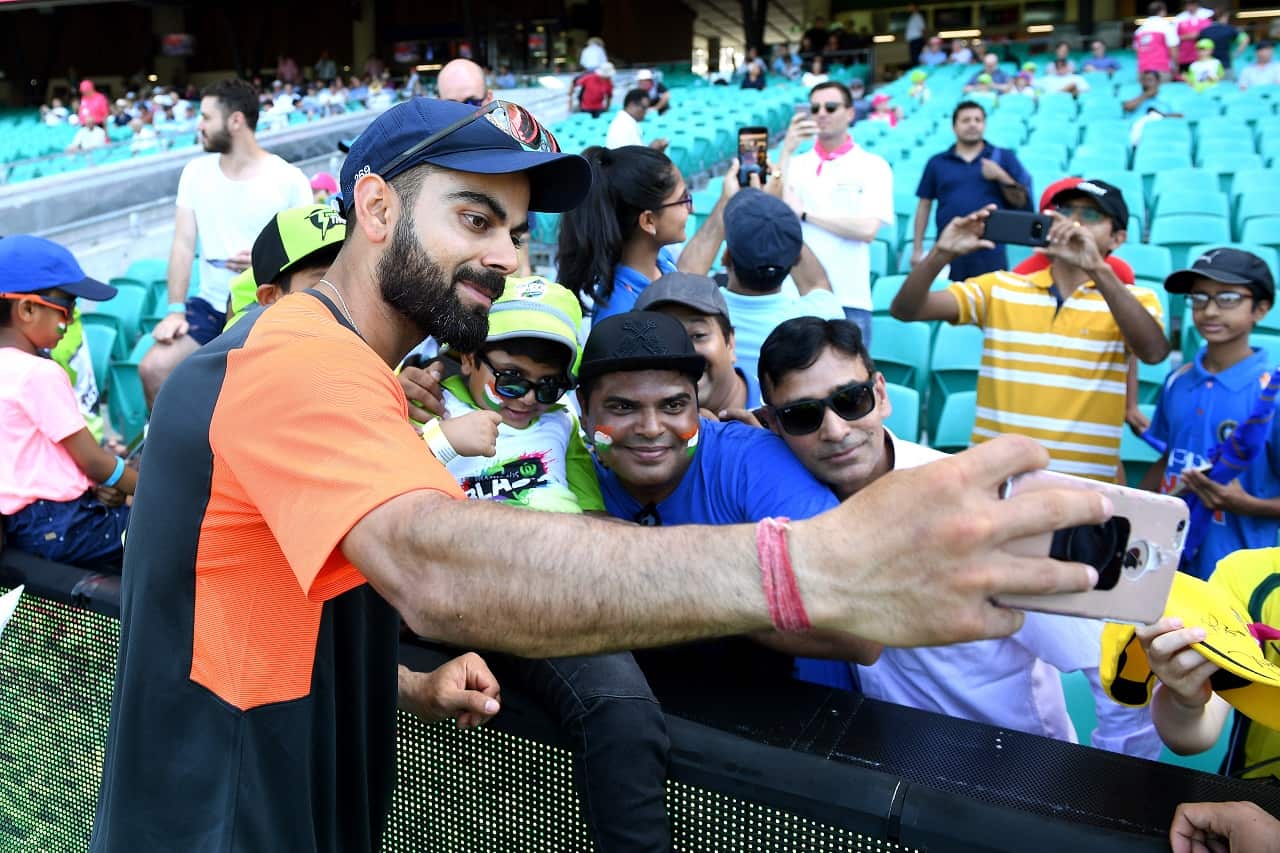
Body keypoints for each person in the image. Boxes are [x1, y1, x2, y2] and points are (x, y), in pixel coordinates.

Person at [89, 95, 1117, 851]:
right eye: (472, 217)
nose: (503, 256)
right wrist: (812, 568)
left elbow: (262, 608)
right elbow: (433, 563)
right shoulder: (296, 360)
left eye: (517, 230)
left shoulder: (337, 368)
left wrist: (404, 682)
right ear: (371, 208)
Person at [755, 317, 1162, 757]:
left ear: (881, 393)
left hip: (1016, 778)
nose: (835, 431)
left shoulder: (981, 502)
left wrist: (1111, 797)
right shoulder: (789, 505)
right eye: (803, 416)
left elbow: (1107, 666)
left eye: (851, 400)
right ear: (775, 426)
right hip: (891, 778)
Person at [892, 179, 1170, 481]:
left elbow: (1153, 352)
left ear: (1117, 239)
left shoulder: (1137, 300)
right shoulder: (1000, 287)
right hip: (997, 482)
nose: (1072, 221)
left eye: (1090, 215)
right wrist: (940, 254)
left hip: (1084, 489)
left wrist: (1097, 269)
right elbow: (907, 310)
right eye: (1064, 210)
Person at [139, 78, 311, 406]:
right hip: (210, 305)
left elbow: (309, 260)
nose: (198, 126)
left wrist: (263, 262)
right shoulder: (194, 173)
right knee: (153, 369)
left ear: (235, 121)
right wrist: (175, 311)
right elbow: (183, 246)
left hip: (262, 309)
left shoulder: (289, 179)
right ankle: (173, 455)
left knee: (250, 398)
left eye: (205, 117)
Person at [1139, 249, 1280, 579]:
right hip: (1169, 567)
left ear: (1261, 308)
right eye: (1199, 298)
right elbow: (1169, 459)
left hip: (1241, 579)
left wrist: (1247, 505)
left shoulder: (1270, 392)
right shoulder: (1178, 380)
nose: (1210, 311)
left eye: (1228, 298)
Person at [0, 236, 135, 571]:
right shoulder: (38, 373)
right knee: (164, 530)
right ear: (28, 308)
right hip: (65, 525)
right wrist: (152, 487)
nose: (73, 320)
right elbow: (94, 462)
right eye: (67, 307)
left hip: (23, 525)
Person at [556, 146, 731, 321]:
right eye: (682, 199)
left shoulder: (660, 259)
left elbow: (686, 278)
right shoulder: (622, 318)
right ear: (648, 221)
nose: (691, 208)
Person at [779, 81, 893, 344]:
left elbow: (867, 230)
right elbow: (775, 209)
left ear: (851, 113)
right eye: (815, 107)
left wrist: (807, 214)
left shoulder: (873, 166)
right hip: (794, 297)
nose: (821, 113)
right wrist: (786, 150)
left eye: (831, 107)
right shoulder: (794, 163)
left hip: (848, 297)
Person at [711, 189, 843, 385]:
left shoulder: (703, 316)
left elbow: (683, 274)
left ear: (726, 256)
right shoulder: (819, 317)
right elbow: (817, 282)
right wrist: (779, 223)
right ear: (796, 257)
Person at [913, 101, 1032, 280]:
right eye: (966, 120)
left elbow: (1024, 203)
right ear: (954, 126)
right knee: (947, 305)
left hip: (990, 250)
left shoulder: (1004, 158)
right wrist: (917, 249)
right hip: (948, 248)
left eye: (978, 120)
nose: (972, 124)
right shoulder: (937, 162)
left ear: (984, 125)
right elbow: (924, 206)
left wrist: (1001, 176)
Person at [636, 272, 764, 415]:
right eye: (660, 340)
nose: (682, 354)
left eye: (698, 335)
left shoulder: (779, 415)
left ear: (730, 344)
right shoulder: (632, 427)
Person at [223, 204, 346, 329]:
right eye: (323, 289)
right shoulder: (247, 345)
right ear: (270, 297)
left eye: (355, 279)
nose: (348, 298)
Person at [1136, 1, 1180, 78]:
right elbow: (1173, 51)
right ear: (1163, 11)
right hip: (1161, 69)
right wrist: (1176, 68)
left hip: (1143, 71)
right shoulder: (1167, 27)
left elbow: (1137, 50)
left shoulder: (1139, 30)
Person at [1201, 9, 1248, 75]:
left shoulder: (1205, 31)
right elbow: (1245, 39)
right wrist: (1237, 53)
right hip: (1225, 65)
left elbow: (1199, 47)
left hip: (1207, 66)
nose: (1227, 20)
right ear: (1223, 17)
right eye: (1227, 17)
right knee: (1227, 85)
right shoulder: (1229, 29)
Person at [1175, 0, 1215, 74]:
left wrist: (1200, 34)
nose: (1190, 6)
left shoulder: (1209, 14)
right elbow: (1174, 39)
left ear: (1196, 3)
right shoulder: (1179, 18)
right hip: (1185, 58)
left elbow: (1214, 32)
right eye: (1187, 4)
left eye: (1192, 3)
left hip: (1205, 57)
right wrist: (1189, 36)